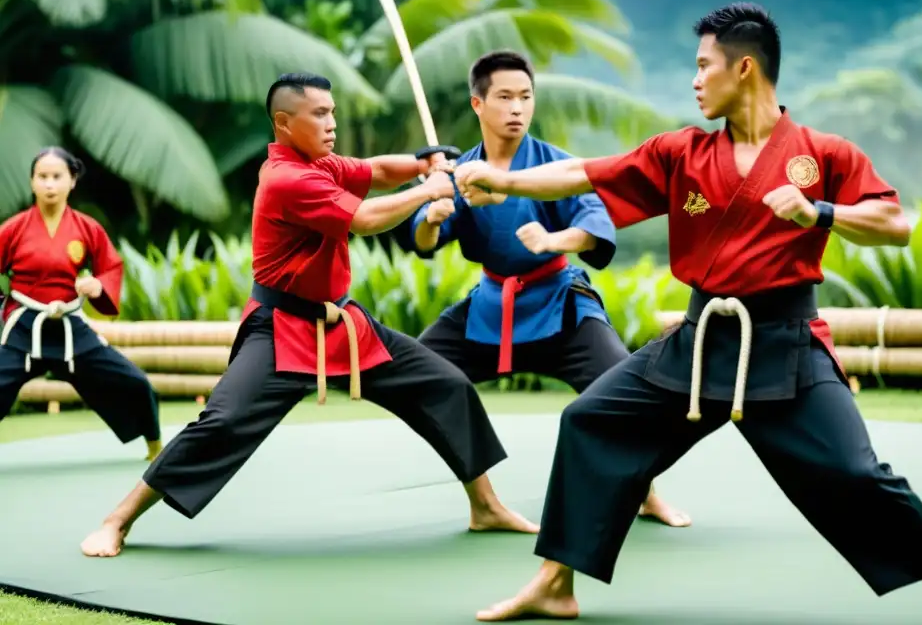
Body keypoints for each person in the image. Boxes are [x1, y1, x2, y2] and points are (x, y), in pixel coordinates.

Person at [455, 5, 922, 625]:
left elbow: (894, 225)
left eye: (703, 66)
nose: (694, 80)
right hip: (696, 342)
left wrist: (818, 211)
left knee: (855, 473)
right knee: (590, 421)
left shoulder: (824, 152)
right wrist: (503, 180)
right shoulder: (679, 152)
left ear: (743, 68)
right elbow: (582, 172)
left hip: (784, 347)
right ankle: (556, 584)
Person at [79, 72, 533, 558]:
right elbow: (364, 219)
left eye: (332, 111)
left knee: (445, 385)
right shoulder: (288, 179)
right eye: (319, 114)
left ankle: (485, 507)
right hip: (280, 329)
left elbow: (376, 171)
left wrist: (424, 164)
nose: (332, 122)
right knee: (222, 424)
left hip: (343, 323)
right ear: (284, 122)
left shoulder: (321, 162)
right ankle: (118, 520)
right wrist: (430, 189)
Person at [410, 50, 688, 529]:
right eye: (504, 97)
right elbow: (423, 240)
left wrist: (552, 240)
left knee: (621, 384)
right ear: (478, 104)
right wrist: (433, 219)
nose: (517, 108)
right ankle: (484, 504)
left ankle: (646, 492)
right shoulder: (457, 175)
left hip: (559, 303)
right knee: (421, 376)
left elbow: (594, 226)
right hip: (490, 308)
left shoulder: (555, 167)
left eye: (525, 97)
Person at [0, 148, 162, 460]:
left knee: (135, 383)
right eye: (42, 177)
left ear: (72, 181)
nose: (49, 184)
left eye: (57, 177)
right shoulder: (14, 228)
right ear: (32, 182)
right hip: (24, 330)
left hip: (70, 331)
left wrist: (97, 285)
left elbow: (110, 267)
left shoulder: (87, 229)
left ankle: (155, 445)